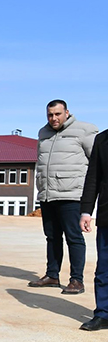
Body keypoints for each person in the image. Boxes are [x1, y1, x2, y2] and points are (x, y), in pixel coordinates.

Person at [29, 100, 97, 294]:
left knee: (73, 238)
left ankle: (77, 280)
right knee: (51, 237)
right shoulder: (43, 133)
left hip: (72, 194)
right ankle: (52, 275)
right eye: (50, 115)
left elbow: (96, 161)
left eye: (57, 114)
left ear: (67, 112)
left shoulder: (84, 131)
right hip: (48, 194)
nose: (53, 118)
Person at [79, 129, 108, 331]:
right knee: (104, 269)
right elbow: (93, 178)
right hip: (107, 217)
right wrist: (86, 211)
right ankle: (103, 314)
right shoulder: (102, 140)